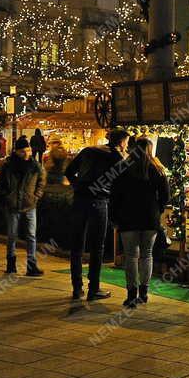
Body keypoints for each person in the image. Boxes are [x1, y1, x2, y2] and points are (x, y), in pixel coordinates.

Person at [65, 129, 129, 301]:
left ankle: (77, 288)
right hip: (99, 202)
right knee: (97, 247)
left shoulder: (88, 150)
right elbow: (122, 185)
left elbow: (69, 171)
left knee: (77, 247)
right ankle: (94, 288)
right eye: (127, 143)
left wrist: (79, 187)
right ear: (122, 142)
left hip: (79, 200)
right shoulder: (118, 158)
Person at [109, 138, 169, 308]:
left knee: (131, 256)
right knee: (147, 255)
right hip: (150, 218)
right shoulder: (157, 169)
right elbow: (165, 196)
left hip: (128, 218)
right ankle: (144, 292)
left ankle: (131, 294)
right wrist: (158, 209)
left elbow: (114, 196)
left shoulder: (123, 168)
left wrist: (114, 217)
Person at [0, 136, 46, 276]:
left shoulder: (35, 166)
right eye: (23, 151)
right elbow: (2, 184)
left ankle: (32, 265)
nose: (27, 154)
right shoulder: (8, 166)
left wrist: (36, 197)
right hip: (12, 205)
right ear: (16, 152)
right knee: (12, 235)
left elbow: (41, 182)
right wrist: (7, 196)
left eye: (28, 150)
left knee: (31, 235)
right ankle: (11, 264)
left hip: (30, 205)